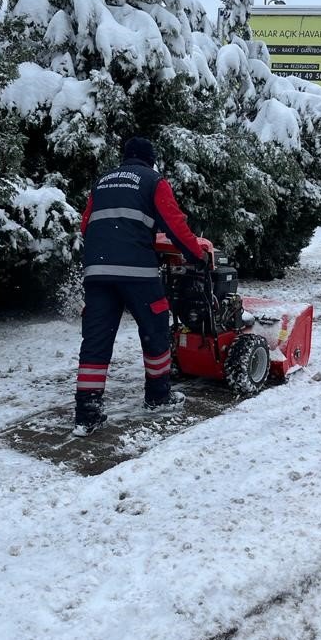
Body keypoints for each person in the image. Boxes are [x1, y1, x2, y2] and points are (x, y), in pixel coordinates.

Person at [73, 136, 208, 436]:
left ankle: (86, 413)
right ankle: (158, 396)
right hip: (136, 272)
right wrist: (197, 255)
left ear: (125, 157)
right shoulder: (152, 180)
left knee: (96, 340)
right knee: (156, 326)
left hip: (97, 272)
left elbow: (86, 225)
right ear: (150, 159)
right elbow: (174, 223)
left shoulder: (103, 181)